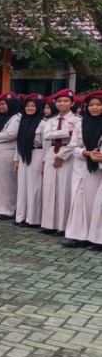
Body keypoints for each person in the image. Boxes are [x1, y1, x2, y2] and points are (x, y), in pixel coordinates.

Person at [62, 92, 102, 249]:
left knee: (95, 203)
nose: (94, 108)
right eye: (91, 105)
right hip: (82, 166)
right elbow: (73, 147)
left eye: (98, 104)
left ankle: (95, 237)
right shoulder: (80, 124)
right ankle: (78, 236)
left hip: (98, 170)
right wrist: (86, 153)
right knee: (78, 201)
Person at [40, 89, 81, 236]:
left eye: (65, 101)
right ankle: (48, 224)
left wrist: (62, 155)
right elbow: (46, 135)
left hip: (68, 153)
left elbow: (76, 140)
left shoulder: (77, 120)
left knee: (64, 189)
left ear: (72, 103)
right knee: (49, 187)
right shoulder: (51, 120)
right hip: (52, 151)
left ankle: (62, 226)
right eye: (59, 101)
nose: (62, 104)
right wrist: (67, 132)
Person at [14, 94, 46, 228]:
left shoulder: (42, 123)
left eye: (33, 106)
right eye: (28, 106)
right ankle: (20, 217)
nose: (30, 108)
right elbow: (19, 142)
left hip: (37, 154)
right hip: (23, 155)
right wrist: (16, 160)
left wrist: (44, 162)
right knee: (22, 187)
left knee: (34, 187)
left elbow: (46, 145)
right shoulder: (23, 121)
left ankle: (32, 219)